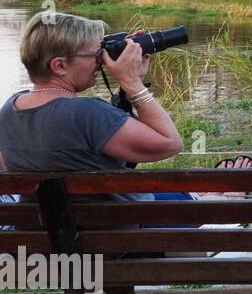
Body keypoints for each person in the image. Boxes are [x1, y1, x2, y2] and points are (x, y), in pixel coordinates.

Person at [0, 12, 184, 179]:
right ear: (60, 66)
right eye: (96, 56)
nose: (101, 62)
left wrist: (126, 88)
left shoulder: (9, 109)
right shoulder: (86, 113)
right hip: (122, 214)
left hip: (44, 215)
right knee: (211, 197)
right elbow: (170, 143)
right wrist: (133, 84)